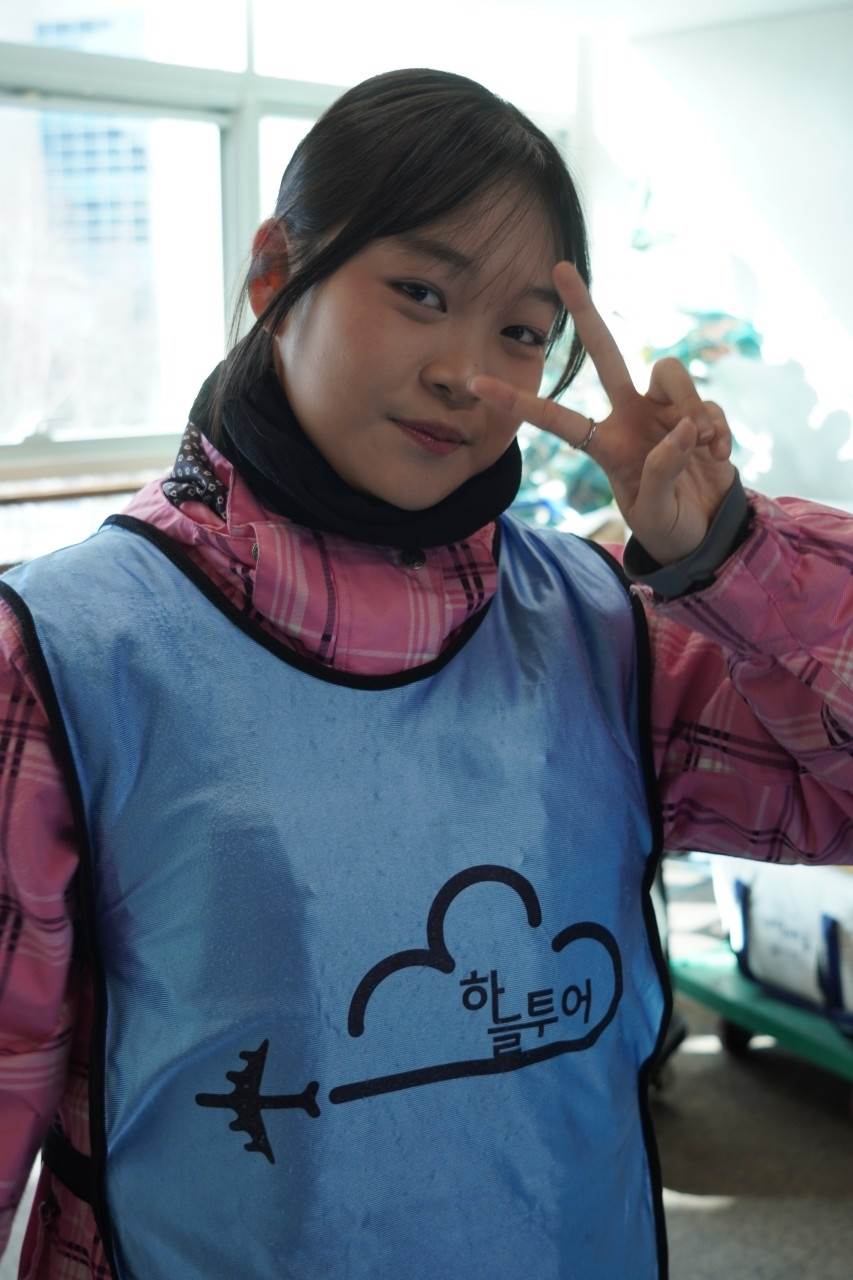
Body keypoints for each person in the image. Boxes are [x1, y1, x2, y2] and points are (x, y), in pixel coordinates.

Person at [0, 66, 851, 1280]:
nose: (465, 371)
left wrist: (733, 552)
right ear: (275, 273)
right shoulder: (72, 650)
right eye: (420, 292)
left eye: (521, 331)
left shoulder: (603, 631)